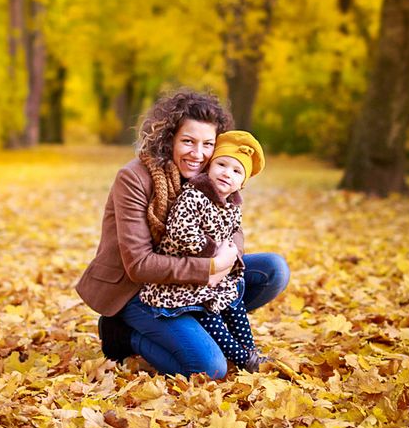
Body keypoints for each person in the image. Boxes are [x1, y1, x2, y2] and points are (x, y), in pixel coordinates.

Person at [75, 89, 290, 379]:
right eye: (188, 141)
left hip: (192, 285)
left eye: (208, 144)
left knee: (273, 270)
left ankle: (195, 327)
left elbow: (233, 228)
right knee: (209, 368)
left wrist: (228, 255)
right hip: (137, 290)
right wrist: (209, 268)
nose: (198, 154)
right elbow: (139, 265)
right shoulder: (134, 177)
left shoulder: (215, 176)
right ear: (170, 139)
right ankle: (126, 335)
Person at [139, 130, 269, 373]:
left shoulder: (232, 205)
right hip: (182, 279)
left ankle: (250, 349)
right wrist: (212, 254)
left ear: (242, 183)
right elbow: (180, 230)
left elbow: (234, 231)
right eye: (221, 164)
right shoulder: (194, 194)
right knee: (212, 316)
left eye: (236, 171)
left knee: (234, 304)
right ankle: (240, 356)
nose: (226, 173)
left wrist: (228, 257)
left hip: (214, 278)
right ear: (209, 167)